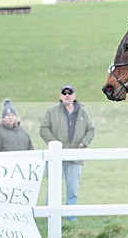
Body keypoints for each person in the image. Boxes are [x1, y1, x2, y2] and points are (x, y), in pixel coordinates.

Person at [40, 85, 95, 216]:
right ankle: (50, 215)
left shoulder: (82, 112)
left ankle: (70, 216)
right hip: (55, 157)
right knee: (53, 188)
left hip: (75, 157)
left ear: (74, 96)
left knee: (73, 189)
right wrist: (55, 144)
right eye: (64, 93)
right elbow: (44, 129)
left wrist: (83, 143)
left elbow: (91, 129)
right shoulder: (52, 111)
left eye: (70, 93)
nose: (67, 96)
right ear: (60, 96)